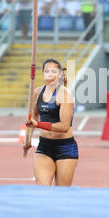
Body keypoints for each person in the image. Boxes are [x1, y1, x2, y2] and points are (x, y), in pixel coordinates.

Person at [24, 58, 78, 186]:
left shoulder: (65, 95)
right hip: (44, 147)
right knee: (42, 191)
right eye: (46, 71)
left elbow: (64, 126)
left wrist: (38, 125)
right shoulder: (37, 92)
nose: (49, 74)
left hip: (65, 148)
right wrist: (28, 139)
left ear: (59, 74)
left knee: (61, 194)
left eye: (53, 71)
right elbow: (33, 118)